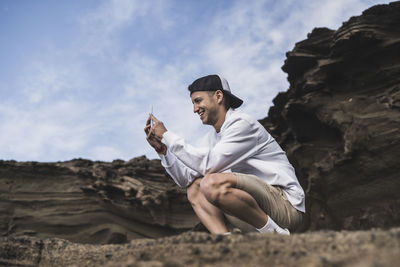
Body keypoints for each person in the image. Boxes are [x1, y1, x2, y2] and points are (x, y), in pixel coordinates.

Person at [144, 74, 305, 235]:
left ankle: (276, 235)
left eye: (198, 101)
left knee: (210, 183)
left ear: (219, 96)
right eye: (192, 103)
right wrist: (163, 151)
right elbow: (185, 179)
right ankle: (225, 242)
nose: (194, 109)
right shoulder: (211, 139)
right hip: (254, 212)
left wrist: (166, 135)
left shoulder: (242, 123)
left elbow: (208, 165)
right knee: (195, 187)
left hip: (286, 207)